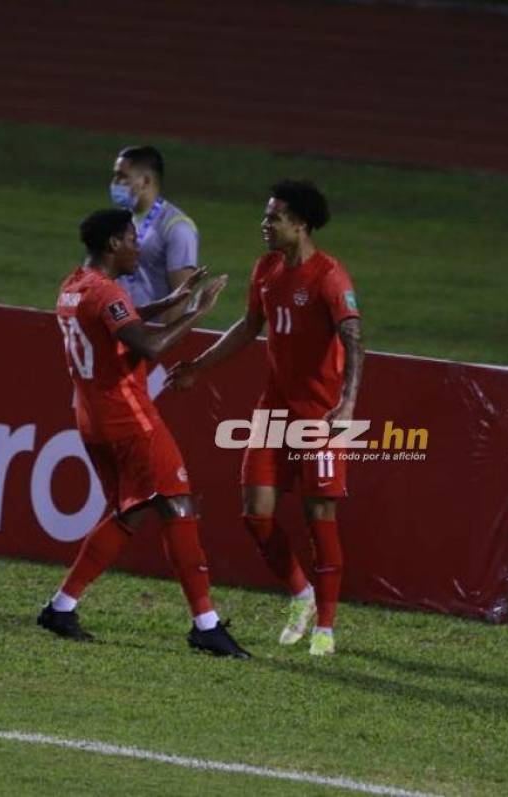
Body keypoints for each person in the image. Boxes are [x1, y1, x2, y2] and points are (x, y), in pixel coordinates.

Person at [37, 208, 250, 659]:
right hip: (128, 417)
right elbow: (148, 345)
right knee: (176, 501)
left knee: (133, 511)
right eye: (134, 239)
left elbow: (119, 320)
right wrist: (197, 312)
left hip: (92, 419)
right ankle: (205, 625)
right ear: (114, 244)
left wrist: (170, 300)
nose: (139, 248)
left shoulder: (74, 287)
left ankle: (62, 606)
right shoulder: (108, 293)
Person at [168, 180, 364, 656]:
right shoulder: (266, 270)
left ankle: (327, 628)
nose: (265, 224)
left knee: (320, 516)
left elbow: (354, 339)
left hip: (320, 417)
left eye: (274, 217)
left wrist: (348, 403)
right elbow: (249, 327)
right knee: (256, 515)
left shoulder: (330, 276)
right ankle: (303, 597)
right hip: (272, 412)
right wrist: (198, 366)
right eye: (265, 215)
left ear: (300, 223)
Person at [109, 145, 198, 321]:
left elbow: (181, 296)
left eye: (122, 177)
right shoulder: (121, 219)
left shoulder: (177, 227)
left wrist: (158, 341)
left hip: (148, 335)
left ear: (145, 181)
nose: (115, 183)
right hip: (120, 327)